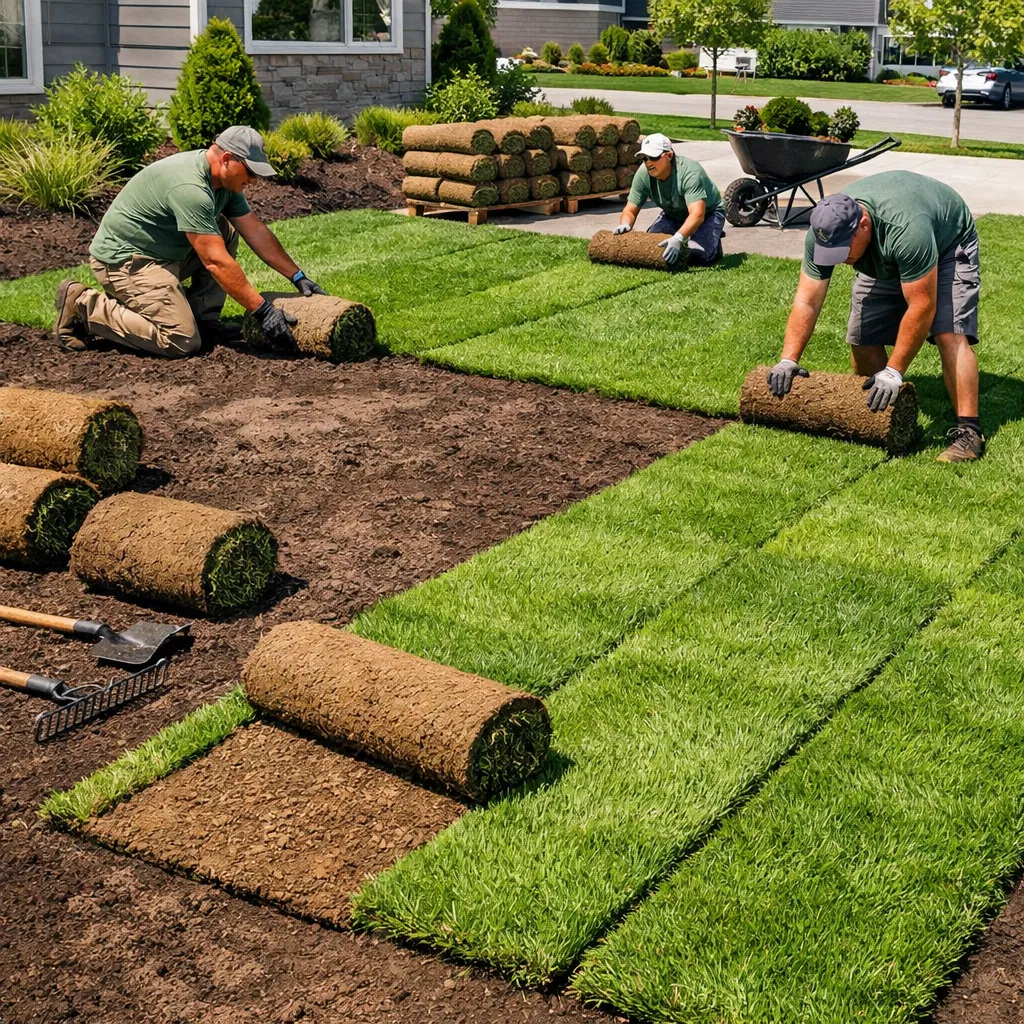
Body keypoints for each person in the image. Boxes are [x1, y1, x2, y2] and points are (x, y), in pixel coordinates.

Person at [767, 171, 984, 463]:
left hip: (946, 242)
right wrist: (788, 359)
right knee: (862, 338)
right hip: (883, 250)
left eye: (843, 251)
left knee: (949, 333)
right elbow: (807, 301)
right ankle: (886, 420)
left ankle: (969, 432)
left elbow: (922, 307)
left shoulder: (907, 230)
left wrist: (895, 371)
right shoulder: (823, 233)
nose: (840, 259)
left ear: (863, 225)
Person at [53, 126, 324, 358]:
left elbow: (255, 231)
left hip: (165, 253)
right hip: (126, 261)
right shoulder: (191, 188)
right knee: (180, 339)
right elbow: (215, 262)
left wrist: (298, 276)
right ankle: (85, 305)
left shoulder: (225, 184)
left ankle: (204, 319)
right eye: (250, 172)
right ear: (227, 159)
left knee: (225, 231)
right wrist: (263, 312)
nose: (254, 180)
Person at [610, 132, 726, 267]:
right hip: (674, 214)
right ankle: (696, 235)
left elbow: (698, 214)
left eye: (653, 157)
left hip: (708, 214)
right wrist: (626, 224)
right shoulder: (643, 174)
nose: (648, 163)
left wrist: (678, 238)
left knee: (695, 257)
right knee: (652, 247)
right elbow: (630, 209)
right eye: (644, 158)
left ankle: (713, 240)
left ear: (669, 155)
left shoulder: (690, 172)